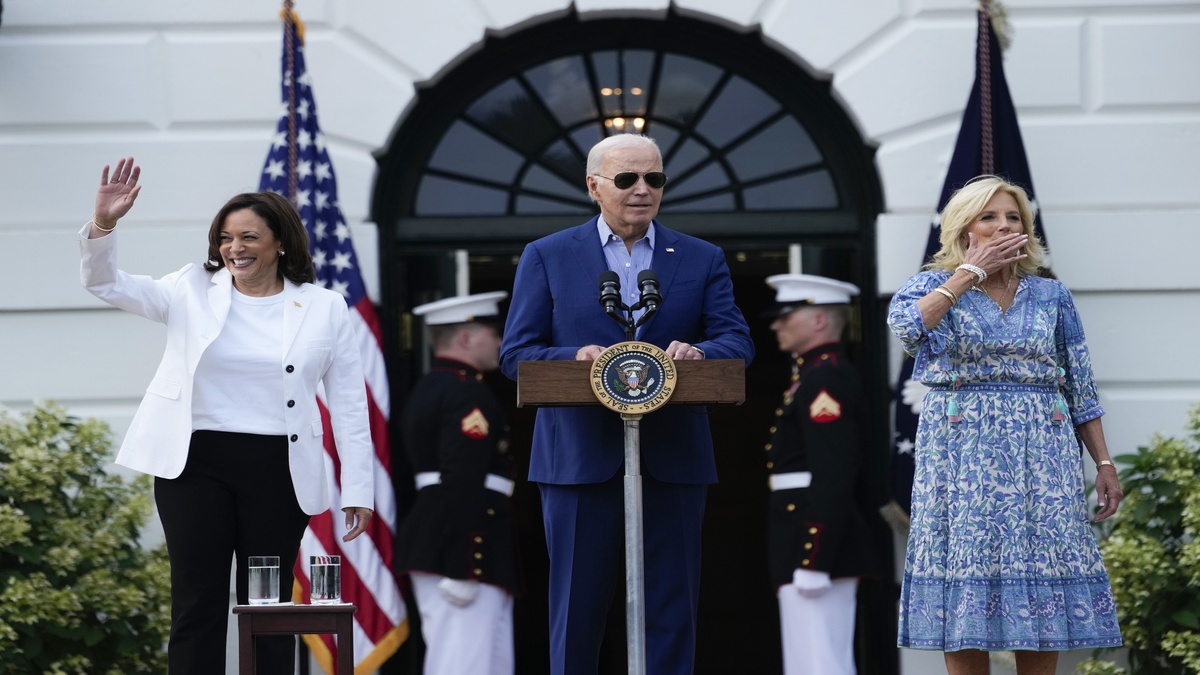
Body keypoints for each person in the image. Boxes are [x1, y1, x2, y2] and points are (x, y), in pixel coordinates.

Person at [79, 157, 375, 675]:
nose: (234, 248)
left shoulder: (325, 306)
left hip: (279, 469)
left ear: (280, 243)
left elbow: (350, 404)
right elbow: (107, 284)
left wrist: (359, 490)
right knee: (198, 601)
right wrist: (103, 224)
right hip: (195, 464)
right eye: (225, 238)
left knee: (270, 608)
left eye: (249, 237)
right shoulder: (189, 286)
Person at [499, 133, 754, 675]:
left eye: (654, 178)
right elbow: (516, 354)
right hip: (577, 458)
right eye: (627, 179)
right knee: (577, 609)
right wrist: (576, 356)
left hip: (673, 456)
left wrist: (700, 352)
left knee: (672, 608)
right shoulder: (547, 255)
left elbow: (737, 342)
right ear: (594, 186)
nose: (643, 189)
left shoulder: (701, 256)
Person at [887, 175, 1123, 675]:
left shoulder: (1051, 295)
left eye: (1014, 217)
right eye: (989, 217)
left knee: (1042, 573)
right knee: (966, 570)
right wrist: (968, 273)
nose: (1004, 226)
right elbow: (907, 328)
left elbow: (1081, 386)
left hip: (1043, 450)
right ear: (964, 228)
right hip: (962, 452)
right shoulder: (929, 286)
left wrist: (1103, 462)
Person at [762, 274, 884, 675]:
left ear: (818, 320)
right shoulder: (813, 375)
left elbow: (833, 473)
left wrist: (814, 557)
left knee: (820, 661)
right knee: (807, 659)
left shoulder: (824, 378)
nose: (776, 325)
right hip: (802, 535)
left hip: (815, 541)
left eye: (786, 316)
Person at [398, 291, 520, 675]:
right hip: (460, 547)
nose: (500, 343)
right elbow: (462, 480)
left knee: (486, 661)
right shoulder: (466, 392)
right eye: (493, 334)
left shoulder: (434, 387)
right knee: (463, 662)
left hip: (448, 538)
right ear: (466, 339)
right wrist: (463, 564)